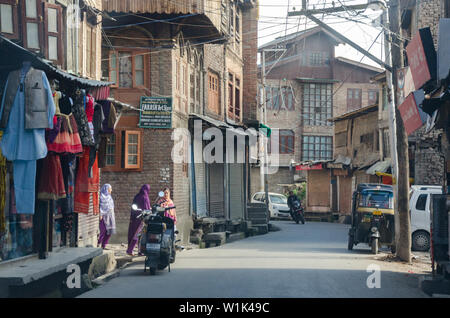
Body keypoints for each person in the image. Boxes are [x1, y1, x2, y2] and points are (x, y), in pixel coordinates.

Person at [127, 184, 150, 256]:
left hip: (134, 218)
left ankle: (139, 251)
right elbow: (147, 209)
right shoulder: (145, 197)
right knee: (138, 235)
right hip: (141, 220)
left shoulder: (137, 196)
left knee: (134, 234)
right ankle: (130, 250)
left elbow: (133, 208)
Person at [98, 184, 116, 249]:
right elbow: (99, 206)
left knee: (109, 232)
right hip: (103, 216)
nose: (111, 190)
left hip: (110, 216)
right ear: (106, 189)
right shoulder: (100, 197)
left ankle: (104, 245)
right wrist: (100, 214)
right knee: (103, 230)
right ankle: (98, 242)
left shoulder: (110, 197)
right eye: (110, 188)